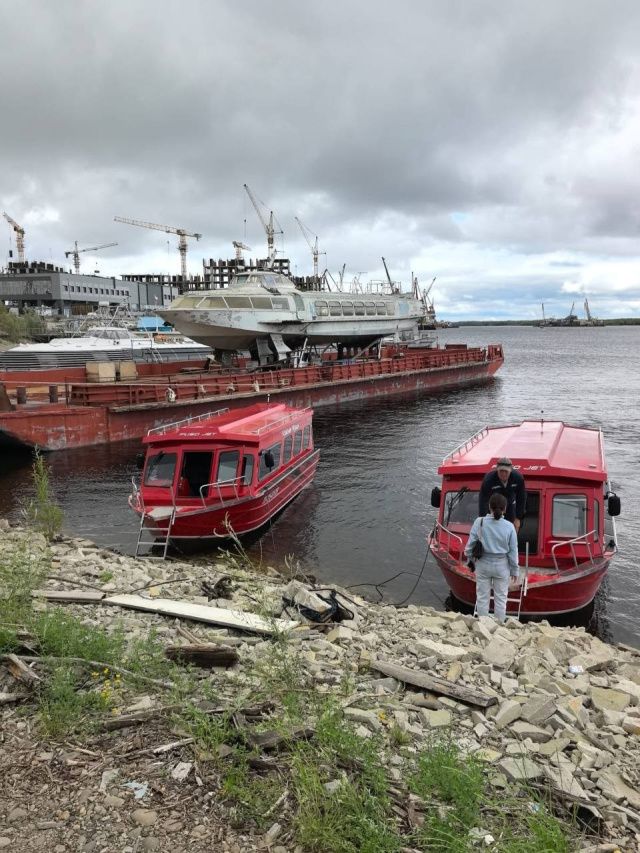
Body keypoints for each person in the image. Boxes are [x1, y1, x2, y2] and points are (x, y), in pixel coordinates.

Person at [465, 493, 519, 622]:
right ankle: (499, 625)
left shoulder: (480, 521)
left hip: (483, 564)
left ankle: (483, 625)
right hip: (502, 566)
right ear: (505, 509)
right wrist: (514, 570)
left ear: (489, 506)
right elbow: (513, 551)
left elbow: (469, 546)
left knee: (482, 597)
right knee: (501, 598)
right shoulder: (509, 526)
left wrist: (470, 561)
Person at [479, 457, 526, 532]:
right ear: (497, 470)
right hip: (494, 508)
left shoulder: (518, 478)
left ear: (511, 470)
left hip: (510, 506)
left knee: (512, 529)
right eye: (501, 471)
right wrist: (483, 520)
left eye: (506, 471)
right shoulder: (488, 480)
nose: (503, 474)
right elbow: (483, 500)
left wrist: (518, 518)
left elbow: (521, 498)